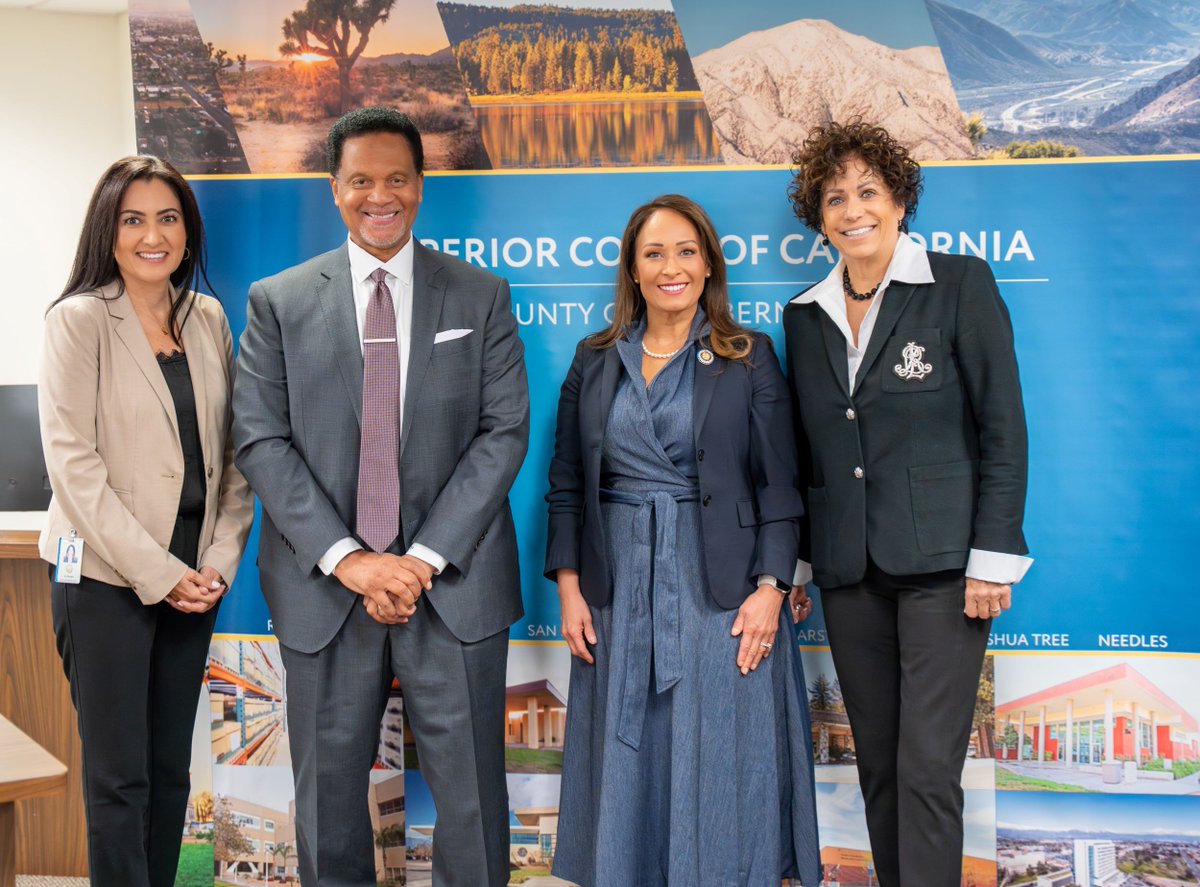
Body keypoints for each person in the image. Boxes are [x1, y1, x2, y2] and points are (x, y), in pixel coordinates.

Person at [232, 106, 529, 886]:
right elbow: (261, 440)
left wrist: (418, 561)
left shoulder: (481, 294)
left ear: (421, 186)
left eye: (397, 178)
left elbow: (503, 434)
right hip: (324, 592)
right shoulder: (278, 300)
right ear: (335, 189)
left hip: (453, 585)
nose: (380, 195)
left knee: (470, 801)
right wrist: (353, 562)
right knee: (327, 805)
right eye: (361, 179)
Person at [783, 120, 1031, 887]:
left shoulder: (959, 284)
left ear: (898, 200)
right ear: (818, 217)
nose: (852, 209)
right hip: (849, 571)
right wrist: (796, 563)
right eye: (834, 197)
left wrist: (993, 556)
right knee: (882, 769)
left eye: (868, 191)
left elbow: (1003, 426)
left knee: (927, 767)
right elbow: (808, 450)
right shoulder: (805, 314)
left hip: (946, 571)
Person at [546, 194, 821, 887]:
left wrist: (771, 587)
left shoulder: (748, 355)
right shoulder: (594, 358)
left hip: (721, 592)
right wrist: (571, 590)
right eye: (654, 253)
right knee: (626, 755)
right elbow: (568, 481)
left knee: (721, 757)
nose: (672, 266)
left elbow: (780, 484)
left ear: (708, 265)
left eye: (686, 251)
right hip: (617, 591)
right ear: (632, 272)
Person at [38, 155, 253, 887]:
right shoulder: (79, 321)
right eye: (133, 219)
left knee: (167, 773)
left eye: (167, 218)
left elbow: (236, 458)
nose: (151, 235)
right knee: (119, 778)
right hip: (104, 578)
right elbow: (75, 469)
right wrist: (159, 575)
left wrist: (216, 561)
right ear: (109, 229)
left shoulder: (209, 318)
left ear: (188, 232)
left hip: (195, 574)